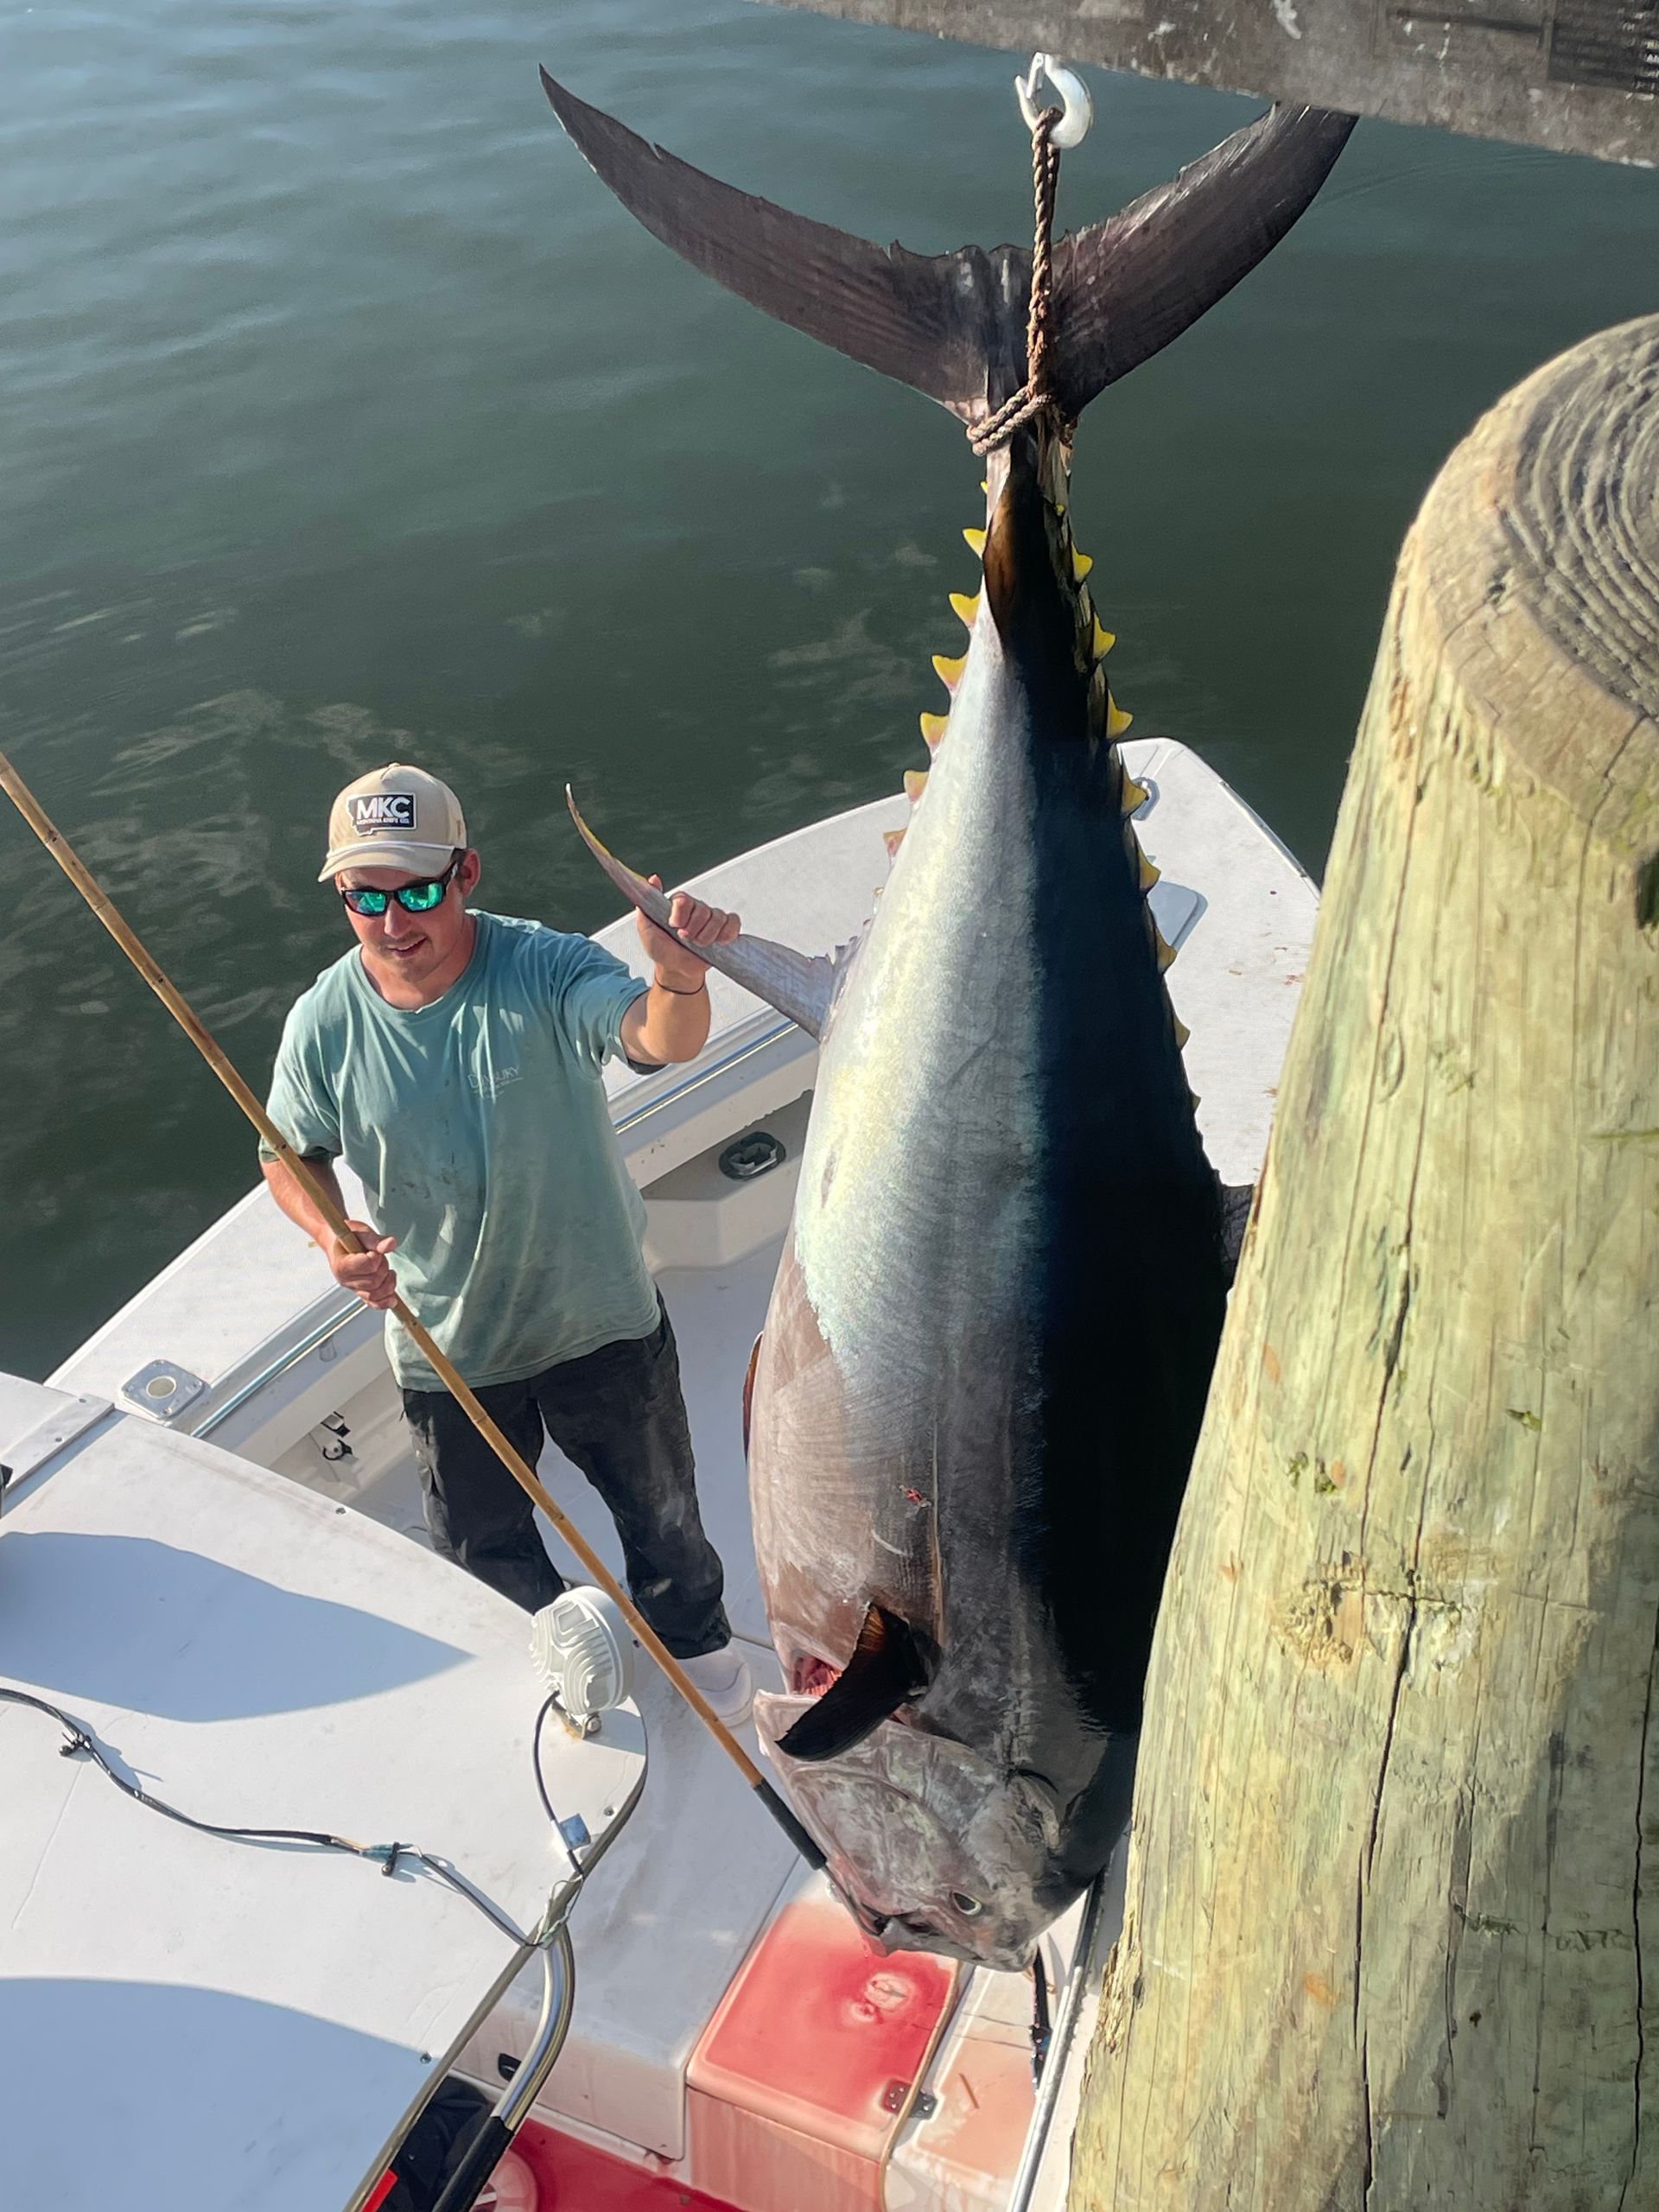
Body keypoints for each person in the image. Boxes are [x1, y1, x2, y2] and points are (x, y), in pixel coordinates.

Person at [260, 762, 752, 1722]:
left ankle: (697, 1645)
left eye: (418, 889)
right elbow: (287, 1152)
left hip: (599, 1319)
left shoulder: (543, 965)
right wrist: (332, 1234)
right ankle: (557, 1661)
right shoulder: (324, 1021)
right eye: (365, 894)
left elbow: (655, 1038)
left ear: (467, 873)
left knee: (665, 1522)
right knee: (484, 1551)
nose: (394, 918)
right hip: (447, 1349)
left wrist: (678, 975)